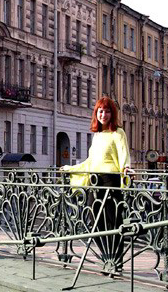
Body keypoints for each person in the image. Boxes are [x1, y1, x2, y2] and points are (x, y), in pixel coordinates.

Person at [61, 96, 132, 272]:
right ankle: (107, 257)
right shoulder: (98, 135)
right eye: (100, 111)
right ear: (96, 113)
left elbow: (124, 155)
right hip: (95, 181)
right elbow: (91, 161)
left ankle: (115, 263)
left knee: (112, 224)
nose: (103, 114)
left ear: (112, 114)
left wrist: (127, 169)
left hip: (110, 181)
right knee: (94, 221)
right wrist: (70, 168)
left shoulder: (118, 132)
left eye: (107, 111)